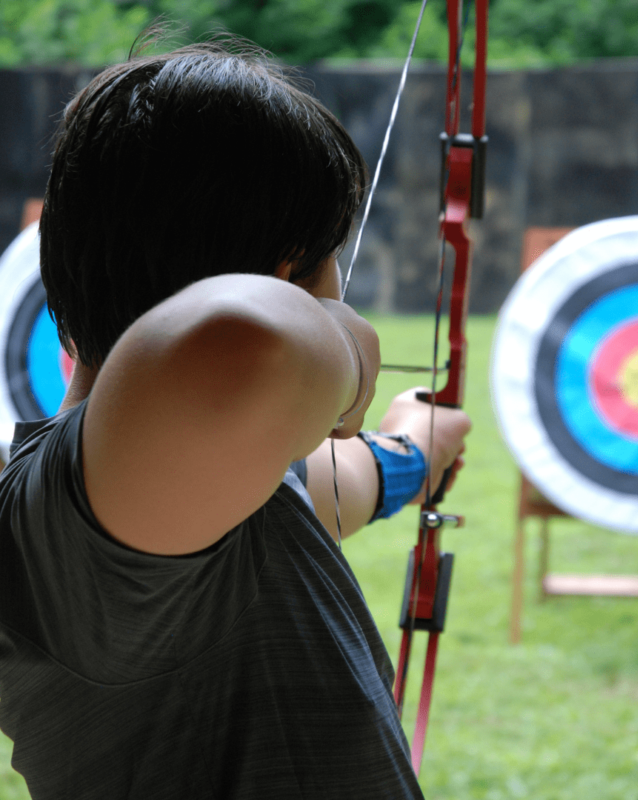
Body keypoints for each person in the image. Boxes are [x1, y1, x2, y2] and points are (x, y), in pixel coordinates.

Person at [0, 37, 471, 800]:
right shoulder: (73, 517)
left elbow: (326, 486)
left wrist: (412, 449)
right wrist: (346, 345)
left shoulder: (180, 497)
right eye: (330, 264)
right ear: (286, 268)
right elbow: (244, 345)